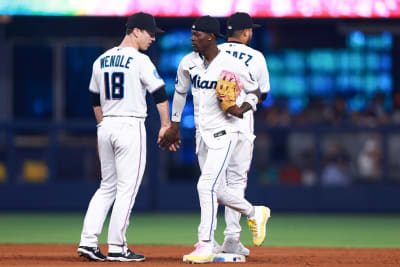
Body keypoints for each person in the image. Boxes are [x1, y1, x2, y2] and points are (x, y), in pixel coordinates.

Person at [160, 15, 270, 264]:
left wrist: (244, 107)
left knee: (205, 186)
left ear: (210, 36)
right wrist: (174, 126)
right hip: (202, 133)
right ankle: (255, 212)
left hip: (226, 131)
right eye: (191, 33)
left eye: (196, 34)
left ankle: (205, 244)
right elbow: (179, 94)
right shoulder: (187, 63)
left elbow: (258, 92)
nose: (191, 38)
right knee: (218, 190)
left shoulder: (231, 63)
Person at [77, 12, 170, 262]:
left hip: (106, 125)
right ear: (136, 31)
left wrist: (103, 126)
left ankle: (88, 241)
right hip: (130, 126)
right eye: (150, 33)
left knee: (107, 187)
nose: (153, 38)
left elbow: (95, 99)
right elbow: (159, 95)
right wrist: (165, 126)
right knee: (126, 189)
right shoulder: (140, 61)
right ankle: (117, 247)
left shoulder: (101, 60)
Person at [215, 12, 271, 257]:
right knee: (235, 182)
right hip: (242, 125)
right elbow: (263, 93)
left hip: (214, 125)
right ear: (246, 32)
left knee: (213, 182)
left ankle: (210, 238)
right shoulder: (255, 56)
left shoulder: (213, 52)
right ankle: (232, 237)